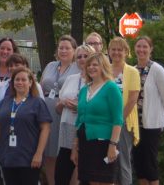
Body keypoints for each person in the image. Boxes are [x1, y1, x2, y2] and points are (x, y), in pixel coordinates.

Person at [0, 67, 51, 185]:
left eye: (24, 80)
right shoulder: (4, 102)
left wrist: (39, 154)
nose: (20, 82)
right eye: (17, 79)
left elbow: (46, 128)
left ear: (30, 82)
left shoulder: (37, 102)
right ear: (12, 82)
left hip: (29, 157)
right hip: (8, 156)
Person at [71, 52, 123, 185]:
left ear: (103, 67)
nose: (91, 68)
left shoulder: (111, 88)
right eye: (89, 65)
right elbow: (79, 120)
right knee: (91, 180)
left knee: (104, 180)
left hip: (104, 143)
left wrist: (113, 145)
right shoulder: (84, 90)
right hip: (86, 143)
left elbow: (118, 119)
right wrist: (75, 147)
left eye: (95, 65)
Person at [132, 36, 164, 185]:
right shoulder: (133, 70)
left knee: (150, 164)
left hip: (151, 126)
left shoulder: (156, 70)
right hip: (136, 126)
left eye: (145, 47)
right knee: (139, 165)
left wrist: (159, 116)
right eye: (139, 46)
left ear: (151, 49)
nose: (141, 50)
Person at [40, 35, 79, 185]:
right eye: (61, 48)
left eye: (67, 48)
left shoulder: (77, 67)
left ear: (74, 50)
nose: (63, 51)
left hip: (66, 114)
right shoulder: (50, 65)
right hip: (47, 112)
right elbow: (42, 85)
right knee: (50, 153)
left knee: (67, 153)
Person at [55, 44, 96, 185]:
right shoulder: (71, 79)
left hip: (85, 130)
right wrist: (63, 103)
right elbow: (58, 108)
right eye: (79, 57)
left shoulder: (97, 81)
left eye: (86, 56)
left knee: (85, 174)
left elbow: (99, 109)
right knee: (61, 173)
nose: (82, 59)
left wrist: (81, 107)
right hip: (67, 127)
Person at [109, 36, 140, 185]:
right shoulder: (104, 70)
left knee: (123, 161)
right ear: (108, 51)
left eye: (119, 50)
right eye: (113, 49)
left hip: (123, 122)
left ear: (126, 52)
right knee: (107, 162)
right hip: (104, 122)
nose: (116, 52)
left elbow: (132, 100)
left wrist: (118, 121)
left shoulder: (132, 72)